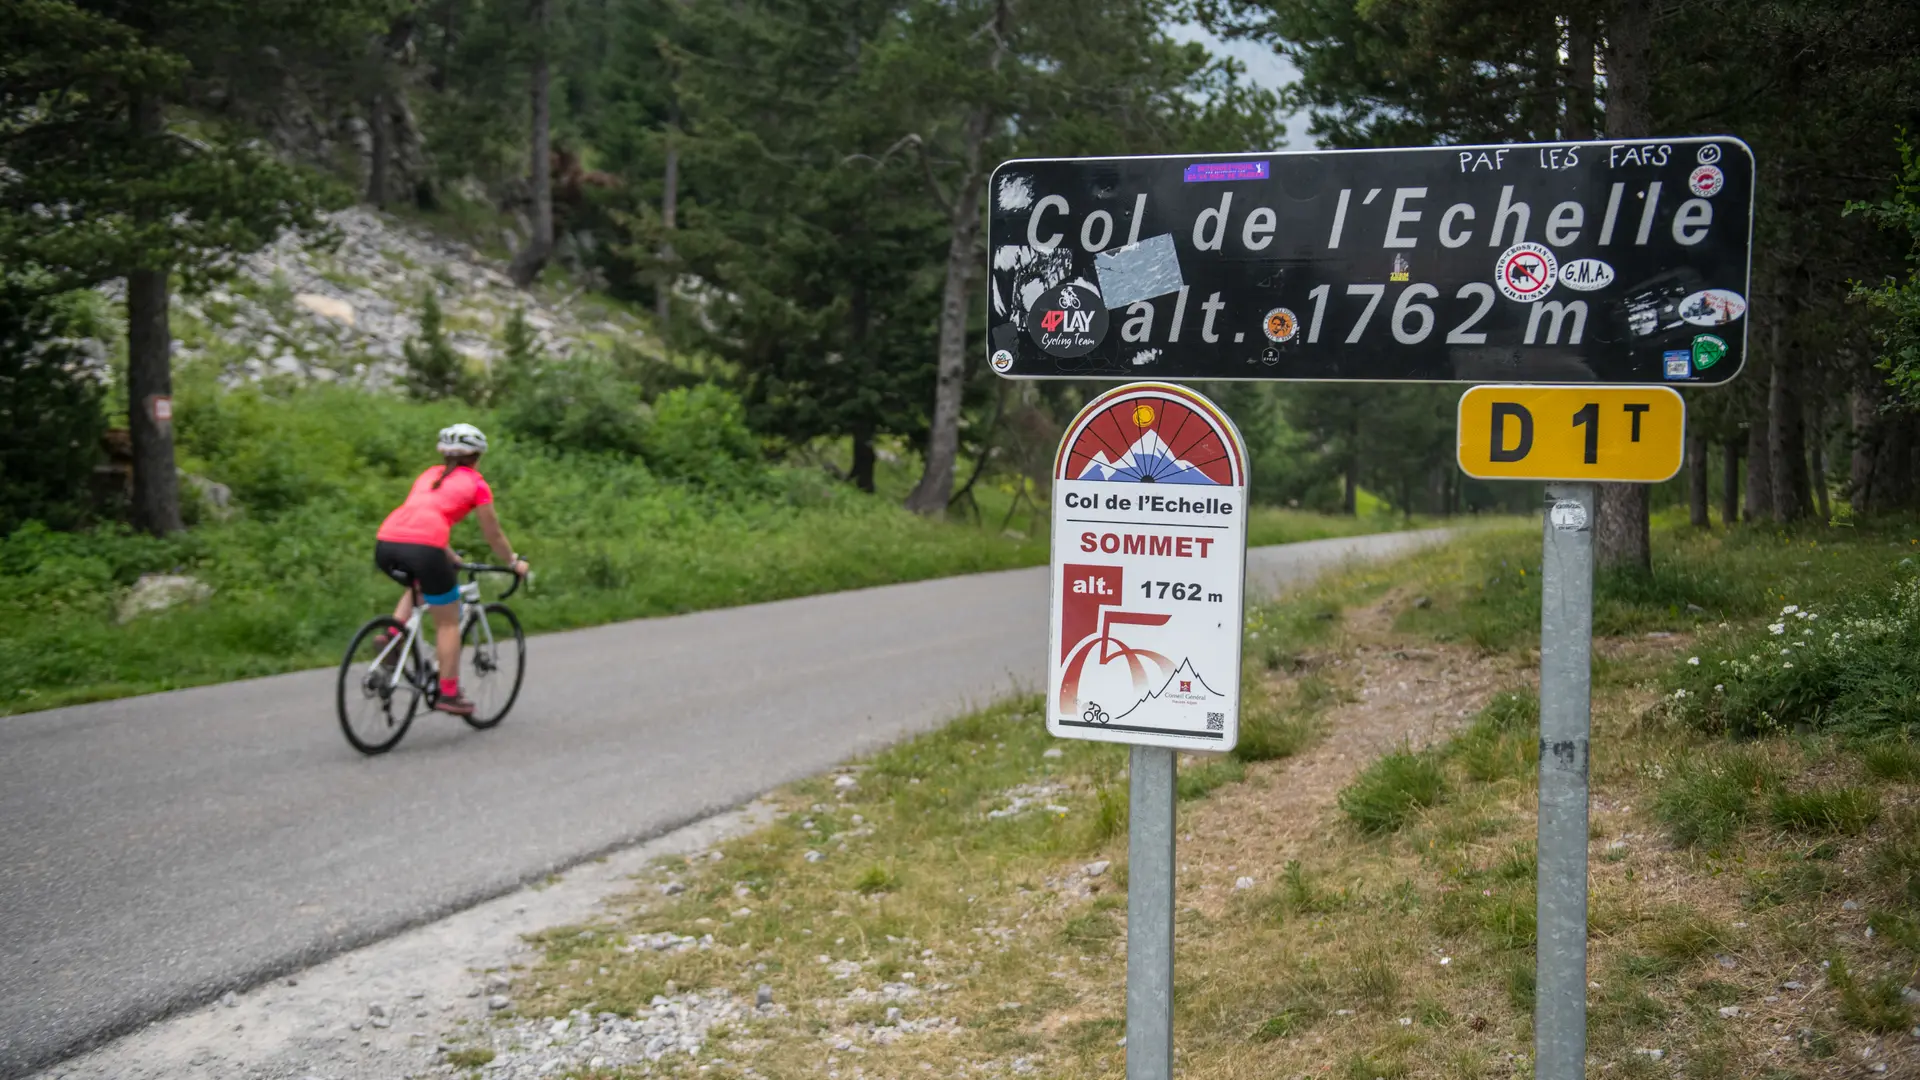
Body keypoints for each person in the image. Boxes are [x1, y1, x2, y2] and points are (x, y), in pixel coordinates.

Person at [373, 423, 528, 716]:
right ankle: (449, 692)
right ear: (477, 456)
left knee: (418, 584)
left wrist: (448, 554)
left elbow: (422, 516)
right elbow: (493, 534)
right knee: (448, 622)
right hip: (425, 547)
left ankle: (392, 635)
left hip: (387, 542)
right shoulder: (477, 483)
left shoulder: (429, 475)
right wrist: (513, 562)